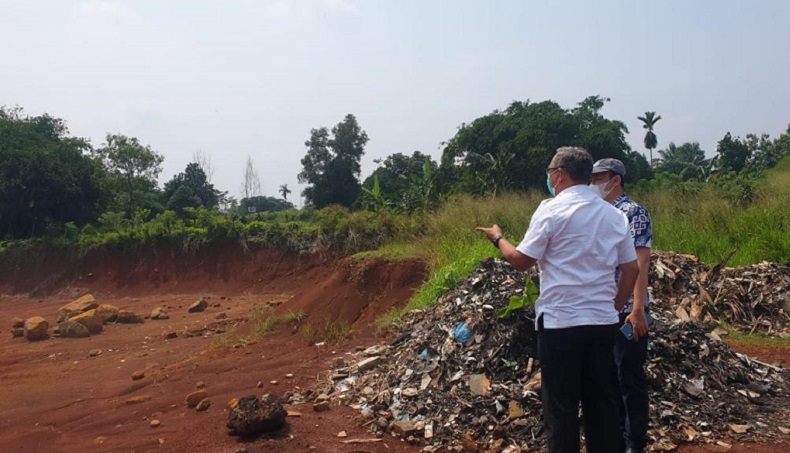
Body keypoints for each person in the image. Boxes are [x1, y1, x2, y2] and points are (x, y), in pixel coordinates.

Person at [476, 147, 640, 453]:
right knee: (601, 404)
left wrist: (497, 237)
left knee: (561, 409)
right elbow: (631, 269)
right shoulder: (614, 215)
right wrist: (614, 307)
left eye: (550, 171)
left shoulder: (550, 210)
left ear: (560, 174)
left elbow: (521, 260)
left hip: (561, 324)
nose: (549, 177)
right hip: (601, 323)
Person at [590, 158, 653, 453]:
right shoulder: (597, 213)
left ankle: (634, 441)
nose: (593, 183)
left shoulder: (633, 213)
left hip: (628, 311)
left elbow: (641, 264)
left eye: (598, 177)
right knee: (608, 377)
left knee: (629, 373)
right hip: (603, 310)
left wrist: (637, 310)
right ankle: (614, 436)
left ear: (615, 180)